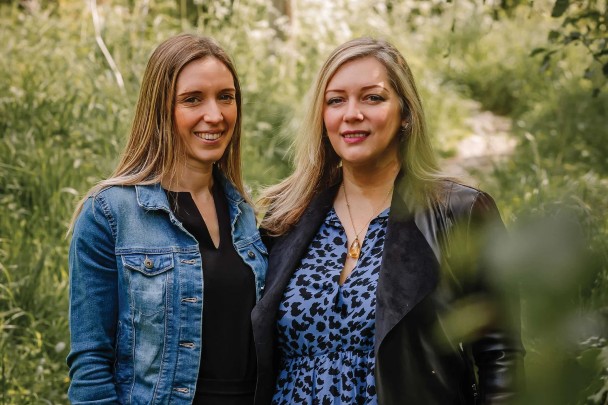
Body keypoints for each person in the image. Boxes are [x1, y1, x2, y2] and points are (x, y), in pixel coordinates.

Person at [252, 37, 524, 405]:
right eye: (336, 100)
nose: (352, 113)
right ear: (322, 116)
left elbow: (500, 356)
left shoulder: (459, 213)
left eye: (372, 98)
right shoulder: (285, 216)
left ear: (405, 113)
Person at [67, 33, 267, 404]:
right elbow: (90, 364)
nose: (215, 115)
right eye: (193, 99)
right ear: (161, 109)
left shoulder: (248, 214)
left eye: (226, 96)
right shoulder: (110, 214)